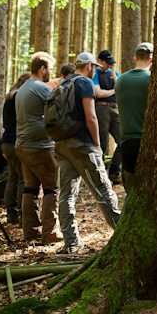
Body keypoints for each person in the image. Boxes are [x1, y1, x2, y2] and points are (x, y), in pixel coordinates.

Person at [53, 52, 122, 253]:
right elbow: (91, 117)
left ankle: (71, 243)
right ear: (90, 66)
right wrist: (97, 145)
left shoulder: (64, 83)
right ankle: (120, 231)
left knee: (66, 194)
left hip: (62, 144)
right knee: (103, 188)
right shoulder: (84, 83)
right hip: (82, 144)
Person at [16, 53, 62, 243]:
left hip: (24, 145)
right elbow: (58, 106)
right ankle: (50, 232)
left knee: (31, 188)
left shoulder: (23, 87)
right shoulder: (40, 88)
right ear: (42, 69)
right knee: (52, 187)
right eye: (48, 69)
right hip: (39, 146)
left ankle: (31, 231)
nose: (49, 73)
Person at [115, 42, 153, 192]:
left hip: (126, 141)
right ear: (152, 58)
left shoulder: (120, 81)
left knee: (131, 189)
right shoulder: (152, 80)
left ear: (134, 57)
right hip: (147, 141)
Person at [0, 72, 31, 225]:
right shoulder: (20, 97)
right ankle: (21, 213)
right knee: (23, 179)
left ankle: (11, 212)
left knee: (12, 177)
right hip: (16, 141)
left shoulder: (9, 97)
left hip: (6, 142)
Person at [93, 50, 123, 184]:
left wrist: (116, 81)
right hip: (101, 109)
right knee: (103, 143)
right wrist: (113, 90)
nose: (109, 66)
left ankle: (114, 171)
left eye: (111, 64)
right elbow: (98, 93)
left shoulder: (115, 74)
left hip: (115, 108)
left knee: (123, 139)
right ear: (100, 61)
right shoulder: (95, 73)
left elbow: (123, 88)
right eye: (107, 63)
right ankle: (102, 175)